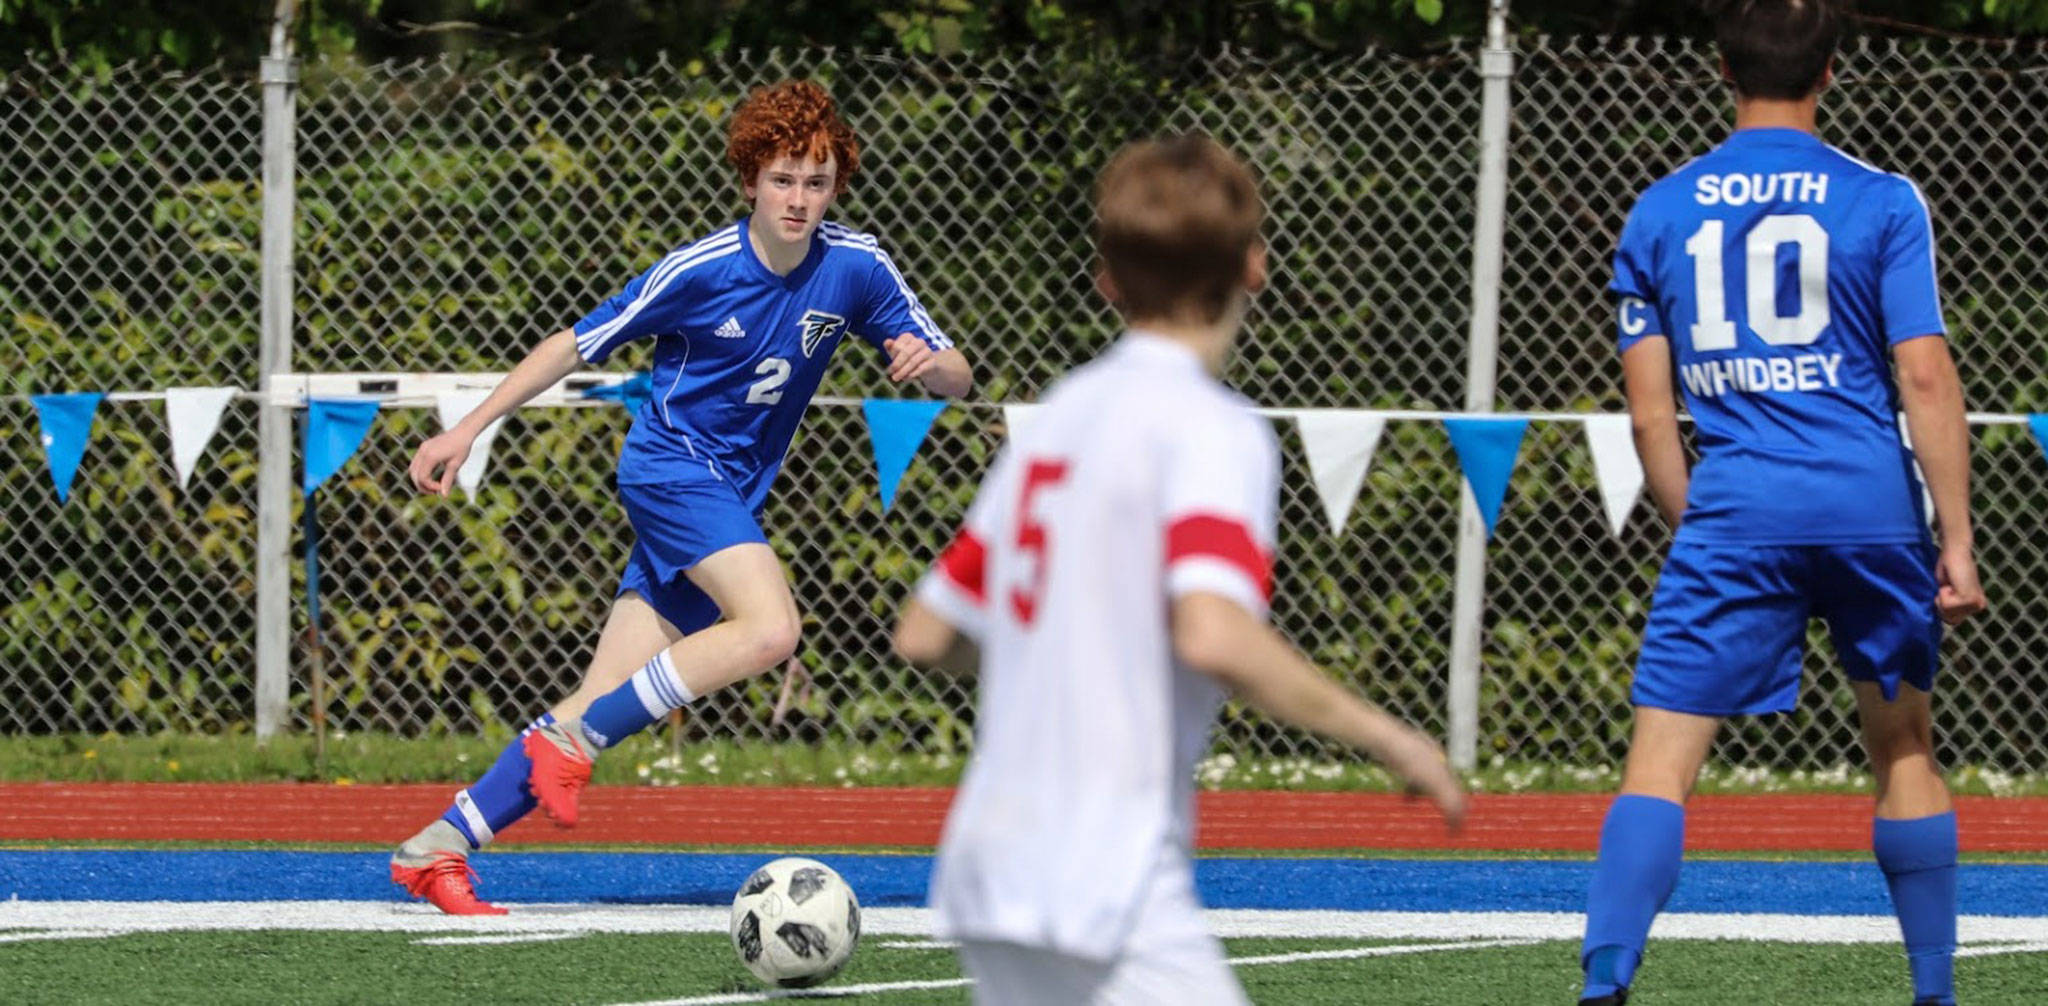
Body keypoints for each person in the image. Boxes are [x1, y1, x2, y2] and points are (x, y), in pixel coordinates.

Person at [891, 133, 1466, 1005]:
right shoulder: (1213, 426)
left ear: (1107, 280)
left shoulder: (1063, 416)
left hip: (988, 864)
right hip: (1106, 879)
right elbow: (1212, 630)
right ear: (1253, 266)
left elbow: (927, 634)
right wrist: (1389, 737)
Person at [388, 79, 973, 915]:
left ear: (836, 184)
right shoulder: (701, 270)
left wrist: (928, 362)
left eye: (816, 180)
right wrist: (468, 426)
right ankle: (573, 740)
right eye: (781, 179)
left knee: (599, 696)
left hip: (726, 493)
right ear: (749, 181)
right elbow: (574, 343)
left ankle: (435, 848)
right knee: (771, 629)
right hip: (671, 470)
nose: (799, 198)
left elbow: (957, 374)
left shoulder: (858, 267)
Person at [1577, 2, 1986, 1003]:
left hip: (1733, 508)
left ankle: (1603, 982)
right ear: (1829, 73)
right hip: (1867, 509)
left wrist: (1701, 522)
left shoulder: (1658, 208)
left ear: (1720, 68)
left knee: (1657, 765)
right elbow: (1923, 376)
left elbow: (1645, 418)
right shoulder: (1882, 199)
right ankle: (1932, 989)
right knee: (1901, 745)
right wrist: (1957, 540)